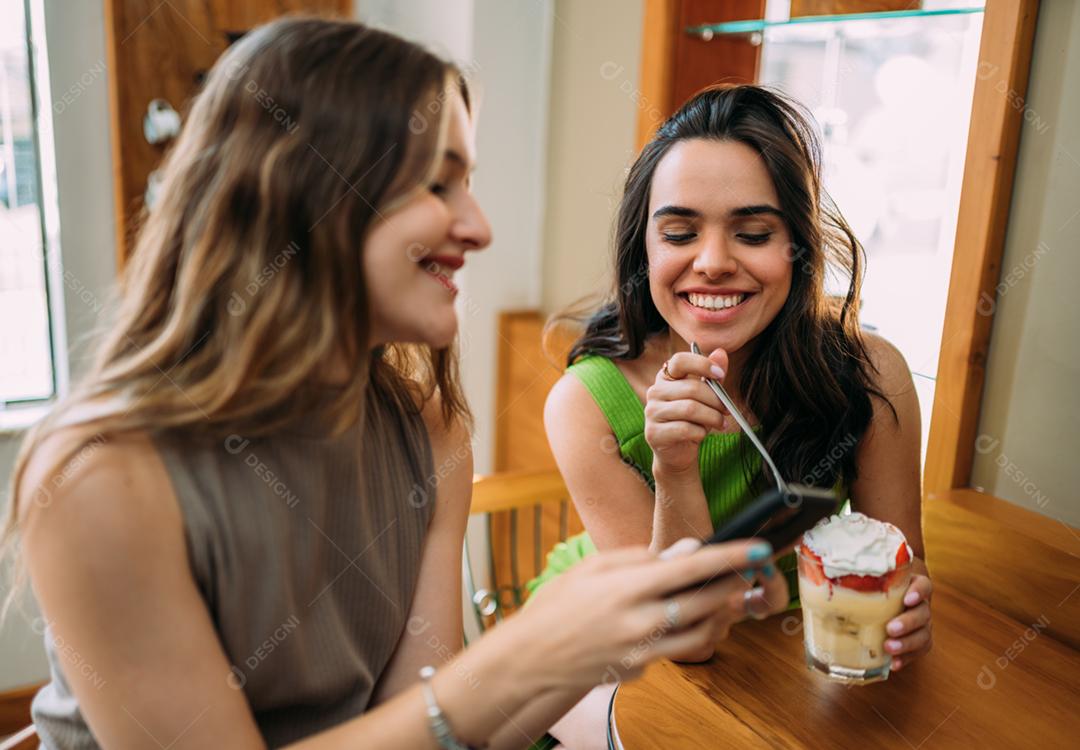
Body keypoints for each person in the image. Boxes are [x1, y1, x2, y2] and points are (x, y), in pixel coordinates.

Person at [0, 21, 788, 750]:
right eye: (437, 186)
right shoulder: (103, 478)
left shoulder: (431, 429)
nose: (477, 227)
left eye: (467, 183)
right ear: (301, 195)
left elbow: (427, 729)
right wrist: (526, 651)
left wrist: (593, 645)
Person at [535, 85, 933, 748]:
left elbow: (902, 558)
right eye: (679, 233)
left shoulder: (870, 375)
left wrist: (908, 601)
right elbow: (680, 638)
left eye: (753, 234)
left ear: (798, 246)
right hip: (616, 649)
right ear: (644, 249)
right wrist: (675, 467)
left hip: (786, 654)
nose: (714, 263)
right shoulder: (585, 403)